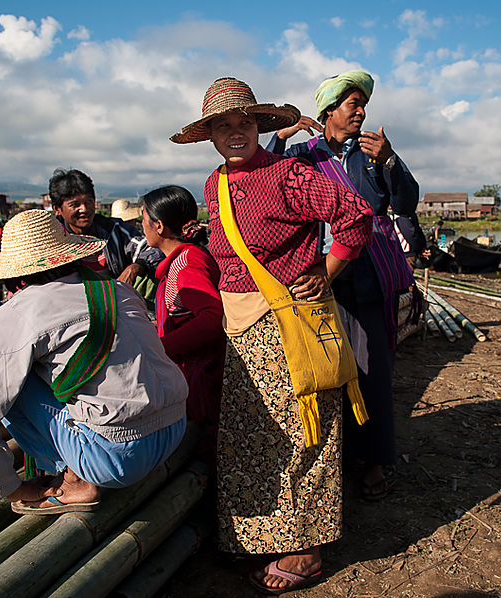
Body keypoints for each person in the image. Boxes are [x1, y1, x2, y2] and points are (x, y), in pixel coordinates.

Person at [171, 77, 373, 594]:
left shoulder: (288, 174)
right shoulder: (214, 184)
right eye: (223, 125)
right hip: (241, 330)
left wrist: (326, 271)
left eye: (244, 123)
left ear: (260, 126)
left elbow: (355, 215)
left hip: (289, 322)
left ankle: (305, 548)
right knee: (253, 437)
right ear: (210, 134)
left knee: (306, 433)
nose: (235, 132)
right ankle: (260, 538)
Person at [0, 209, 188, 513]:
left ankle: (75, 478)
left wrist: (11, 488)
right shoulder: (115, 289)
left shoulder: (21, 310)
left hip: (116, 458)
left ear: (15, 272)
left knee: (6, 385)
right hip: (175, 427)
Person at [268, 69, 418, 501]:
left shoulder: (372, 155)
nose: (361, 112)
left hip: (367, 277)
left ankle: (376, 458)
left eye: (362, 105)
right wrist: (280, 136)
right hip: (321, 277)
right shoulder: (303, 156)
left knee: (371, 369)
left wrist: (390, 161)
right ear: (329, 110)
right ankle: (339, 454)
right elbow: (268, 181)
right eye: (353, 104)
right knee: (329, 370)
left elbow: (405, 201)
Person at [141, 185, 225, 457]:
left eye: (143, 219)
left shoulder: (185, 266)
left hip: (200, 378)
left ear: (159, 226)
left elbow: (211, 318)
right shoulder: (186, 259)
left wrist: (160, 346)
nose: (141, 226)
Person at [48, 169, 163, 288]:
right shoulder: (51, 239)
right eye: (75, 205)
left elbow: (153, 248)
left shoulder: (114, 229)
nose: (84, 209)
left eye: (88, 202)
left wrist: (135, 267)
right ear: (57, 209)